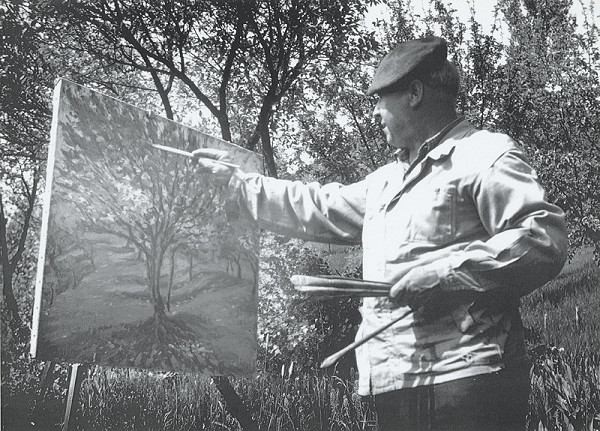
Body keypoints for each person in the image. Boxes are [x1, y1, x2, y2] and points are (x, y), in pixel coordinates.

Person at [192, 36, 568, 430]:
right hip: (396, 384)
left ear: (415, 93)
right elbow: (319, 206)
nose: (374, 112)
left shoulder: (485, 154)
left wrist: (447, 275)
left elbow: (542, 238)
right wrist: (238, 186)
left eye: (379, 99)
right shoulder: (387, 182)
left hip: (467, 379)